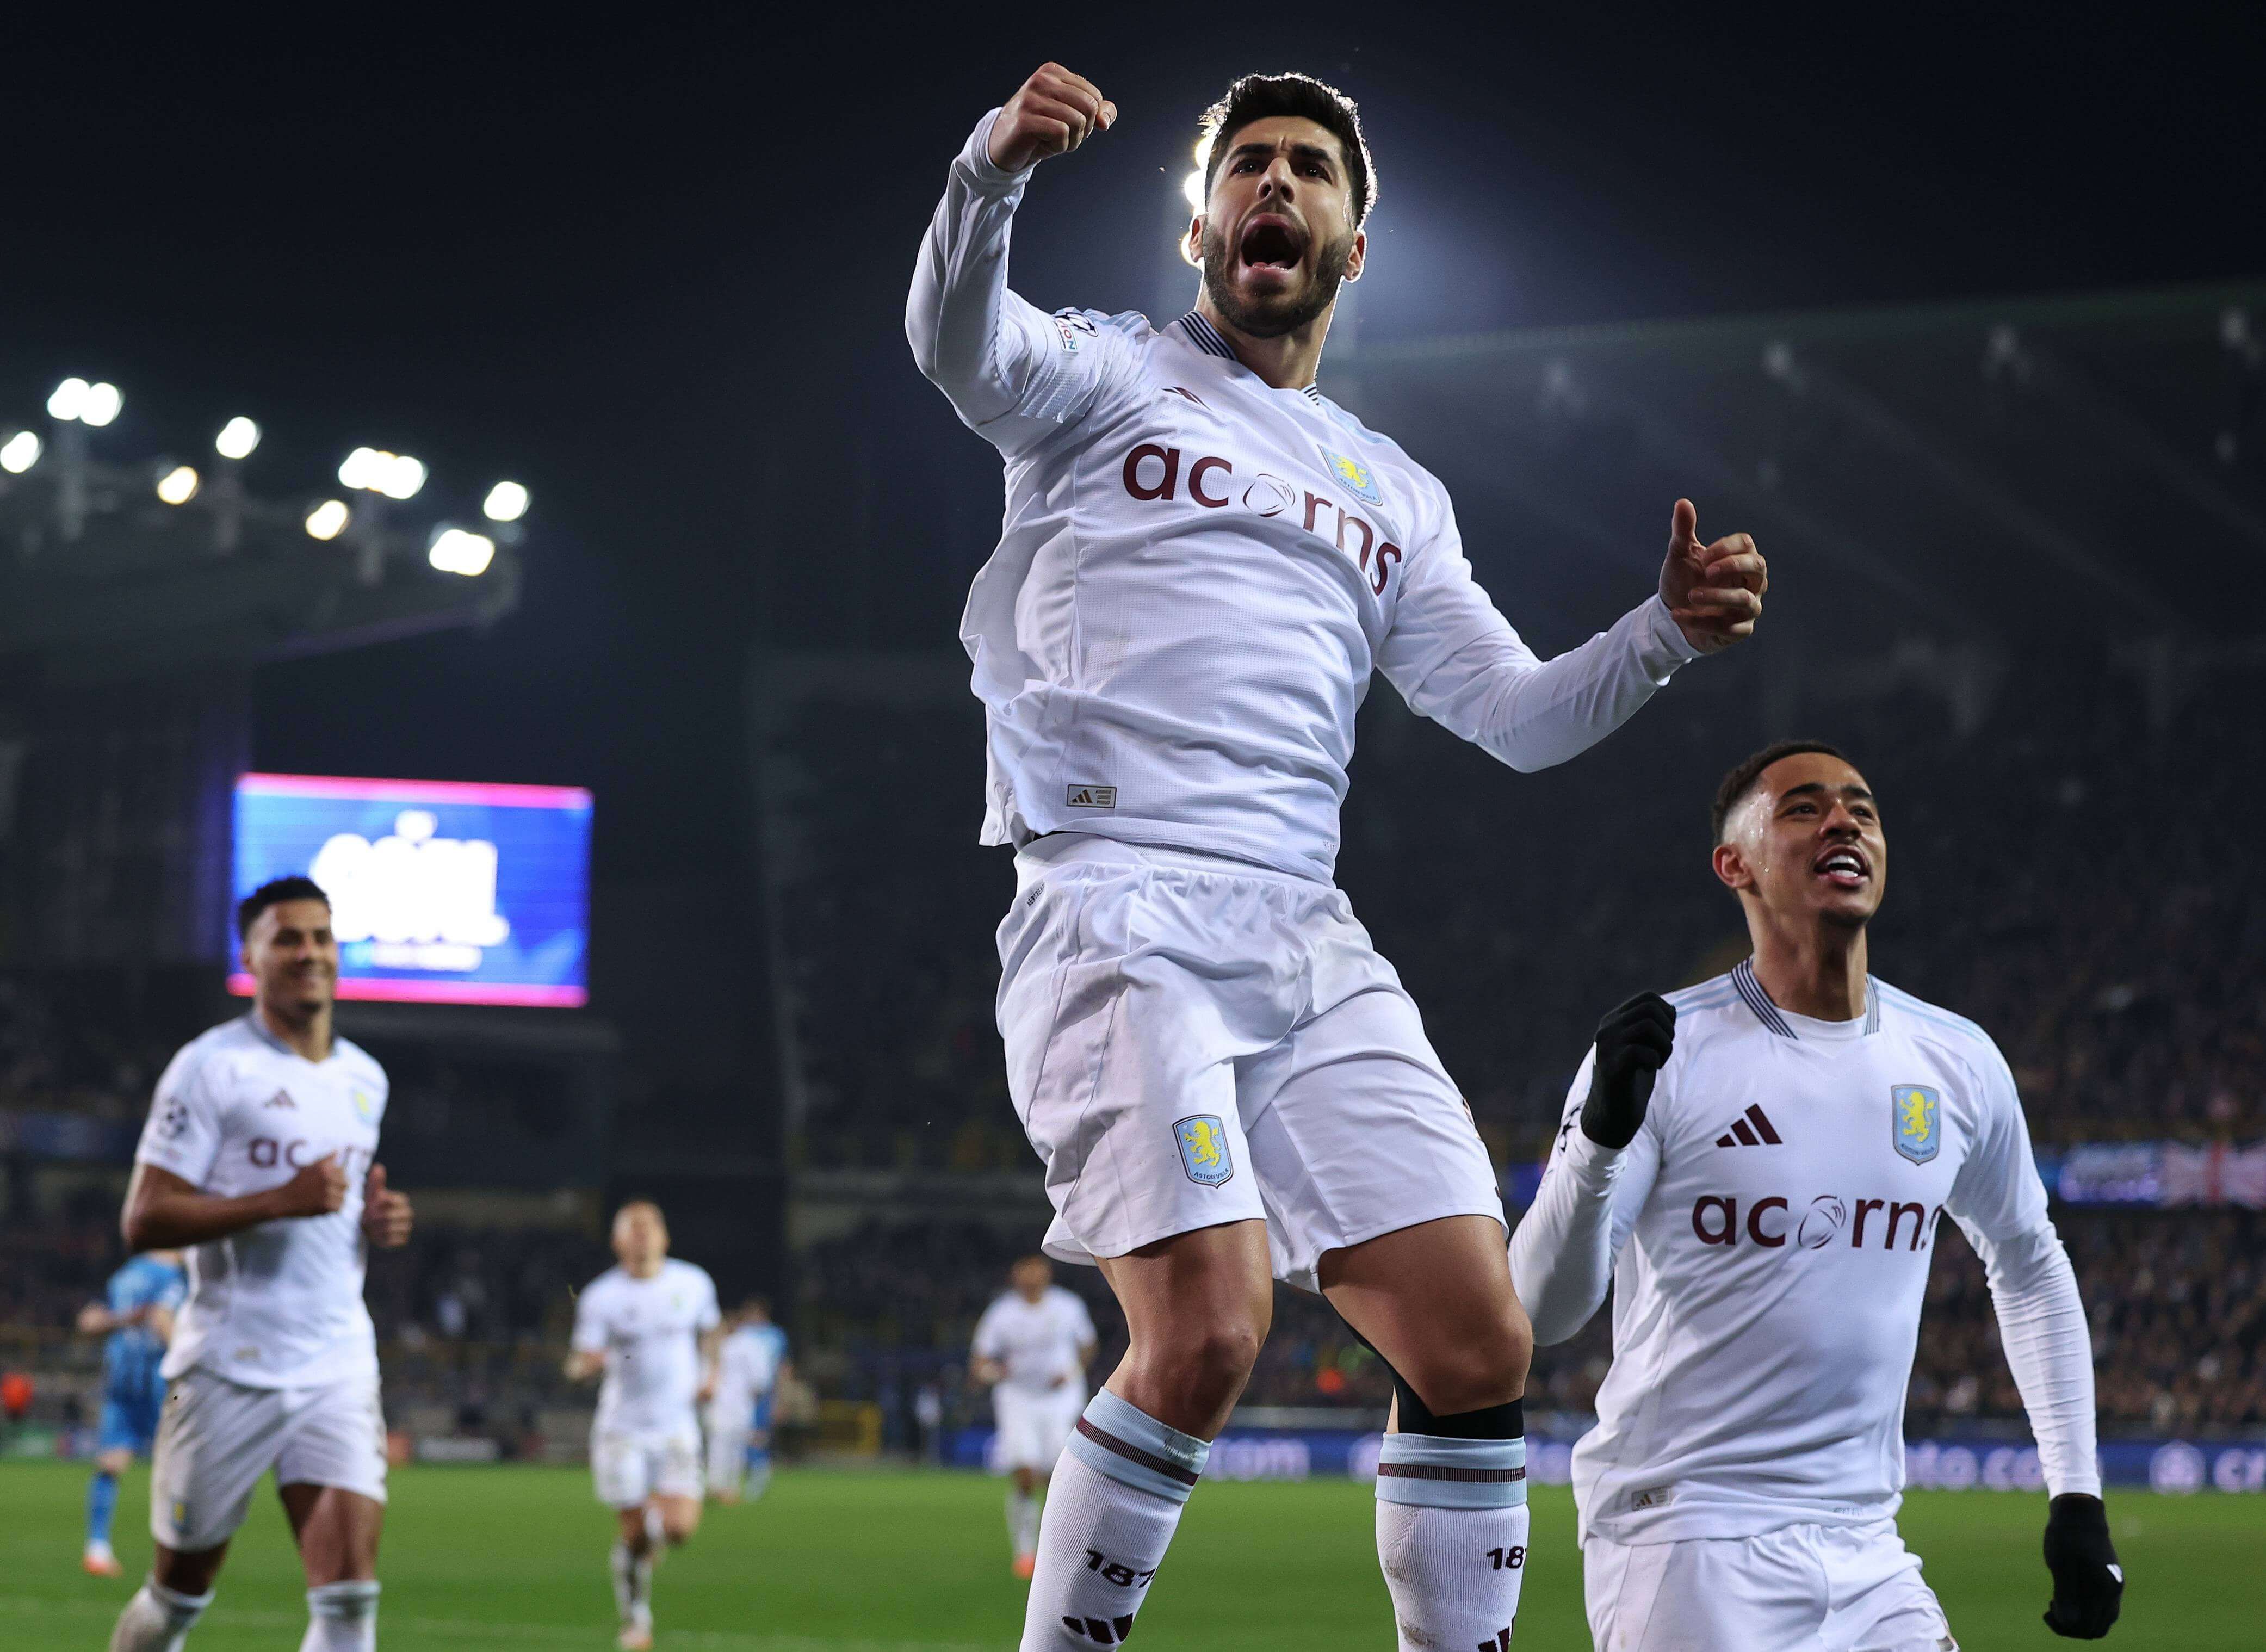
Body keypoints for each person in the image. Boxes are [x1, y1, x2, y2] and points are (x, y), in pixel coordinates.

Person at [908, 61, 1767, 1649]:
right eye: (1247, 165)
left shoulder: (1394, 492)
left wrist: (1655, 634)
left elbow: (1510, 715)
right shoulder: (1105, 377)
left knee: (1472, 1334)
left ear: (1350, 243)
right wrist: (990, 173)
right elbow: (954, 343)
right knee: (1205, 1331)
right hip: (1115, 905)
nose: (1275, 186)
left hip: (1303, 937)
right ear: (1201, 224)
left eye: (1307, 167)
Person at [1510, 742, 2124, 1649]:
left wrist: (2076, 1493)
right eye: (1803, 807)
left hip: (1868, 1542)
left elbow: (2029, 1262)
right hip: (1686, 1529)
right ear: (1736, 863)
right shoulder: (1662, 1051)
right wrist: (1596, 1145)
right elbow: (1539, 1310)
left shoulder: (1954, 1060)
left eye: (1862, 808)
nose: (1844, 820)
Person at [106, 874, 413, 1652]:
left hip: (337, 1359)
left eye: (321, 936)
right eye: (287, 938)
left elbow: (332, 1207)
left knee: (348, 1599)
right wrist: (280, 1199)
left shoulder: (364, 1079)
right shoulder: (211, 1066)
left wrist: (376, 1222)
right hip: (227, 1366)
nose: (308, 953)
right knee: (175, 1597)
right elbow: (144, 1218)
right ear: (251, 956)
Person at [568, 1201, 723, 1651]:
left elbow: (712, 1333)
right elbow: (579, 1361)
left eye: (649, 1225)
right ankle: (637, 1619)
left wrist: (712, 1373)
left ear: (665, 1237)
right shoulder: (601, 1296)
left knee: (679, 1530)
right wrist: (584, 1365)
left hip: (678, 1426)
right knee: (635, 1534)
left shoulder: (693, 1283)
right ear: (617, 1242)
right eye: (631, 1228)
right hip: (623, 1430)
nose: (641, 1233)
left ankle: (647, 1536)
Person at [970, 1256, 1099, 1578]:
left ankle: (1064, 1548)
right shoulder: (1002, 1313)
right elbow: (981, 1360)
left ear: (1046, 1276)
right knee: (1026, 1474)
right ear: (1016, 1278)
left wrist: (1071, 1372)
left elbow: (1088, 1346)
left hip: (1061, 1399)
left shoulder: (1068, 1306)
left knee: (1061, 1475)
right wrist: (993, 1372)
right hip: (1018, 1399)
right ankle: (1025, 1552)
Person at [76, 1248, 187, 1576]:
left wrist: (121, 1319)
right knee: (181, 1465)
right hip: (161, 1382)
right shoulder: (177, 1276)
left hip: (121, 1377)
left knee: (111, 1462)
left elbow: (88, 1322)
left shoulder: (124, 1274)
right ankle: (183, 1552)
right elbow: (161, 1318)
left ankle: (97, 1548)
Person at [704, 1296, 791, 1505]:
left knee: (731, 1443)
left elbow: (764, 1375)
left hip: (732, 1402)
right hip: (734, 1402)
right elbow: (760, 1378)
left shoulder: (741, 1344)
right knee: (728, 1444)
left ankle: (727, 1486)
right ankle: (724, 1487)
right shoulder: (733, 1344)